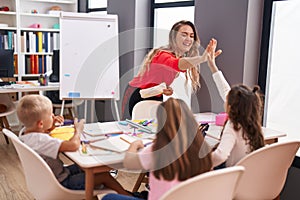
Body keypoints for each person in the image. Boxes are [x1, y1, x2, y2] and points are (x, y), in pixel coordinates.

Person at [16, 95, 131, 195]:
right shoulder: (43, 140)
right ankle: (129, 197)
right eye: (51, 115)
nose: (53, 116)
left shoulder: (25, 134)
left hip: (47, 180)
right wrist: (78, 130)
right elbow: (73, 146)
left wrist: (51, 125)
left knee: (88, 168)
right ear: (40, 123)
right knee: (104, 175)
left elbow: (41, 134)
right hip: (62, 183)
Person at [103, 98, 212, 200]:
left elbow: (128, 162)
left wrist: (134, 145)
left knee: (108, 198)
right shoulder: (203, 149)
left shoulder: (157, 151)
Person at [122, 20, 222, 119]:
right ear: (174, 37)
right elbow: (177, 64)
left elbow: (157, 80)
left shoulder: (176, 57)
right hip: (136, 94)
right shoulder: (162, 55)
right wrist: (201, 59)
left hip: (153, 95)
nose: (188, 39)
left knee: (155, 129)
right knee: (131, 130)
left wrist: (163, 89)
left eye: (191, 36)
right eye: (184, 35)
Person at [206, 40, 265, 168]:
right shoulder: (253, 125)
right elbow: (225, 90)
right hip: (246, 175)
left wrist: (200, 164)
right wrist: (212, 66)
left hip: (231, 177)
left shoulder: (233, 126)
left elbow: (221, 156)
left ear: (232, 106)